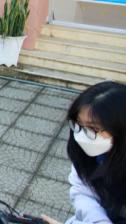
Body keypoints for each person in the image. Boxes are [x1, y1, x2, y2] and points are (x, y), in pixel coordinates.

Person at [42, 81, 126, 224]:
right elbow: (82, 191)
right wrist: (99, 221)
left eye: (93, 128)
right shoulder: (92, 156)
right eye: (79, 124)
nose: (81, 135)